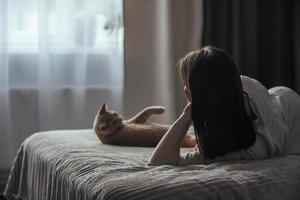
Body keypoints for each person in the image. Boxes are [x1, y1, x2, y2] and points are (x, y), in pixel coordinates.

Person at [147, 45, 300, 166]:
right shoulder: (244, 84)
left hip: (291, 112)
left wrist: (186, 114)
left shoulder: (238, 151)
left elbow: (158, 161)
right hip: (282, 99)